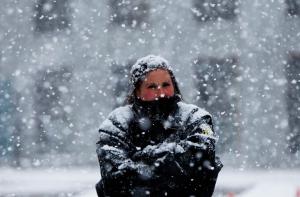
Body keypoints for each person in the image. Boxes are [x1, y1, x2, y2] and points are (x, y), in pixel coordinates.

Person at [95, 55, 223, 197]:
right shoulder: (117, 122)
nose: (161, 93)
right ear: (137, 91)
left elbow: (201, 166)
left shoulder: (196, 118)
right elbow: (114, 181)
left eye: (166, 85)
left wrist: (140, 158)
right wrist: (173, 160)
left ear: (174, 86)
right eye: (152, 86)